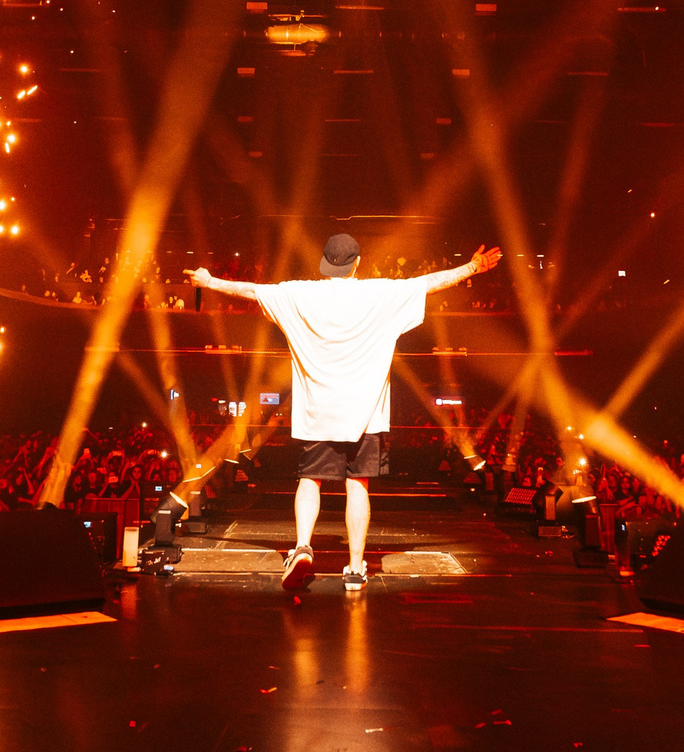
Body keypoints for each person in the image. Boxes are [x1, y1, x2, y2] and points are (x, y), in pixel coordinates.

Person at [190, 233, 502, 594]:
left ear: (325, 264)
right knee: (358, 485)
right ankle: (354, 568)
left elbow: (252, 290)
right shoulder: (380, 294)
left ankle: (303, 546)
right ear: (357, 263)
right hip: (366, 414)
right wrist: (473, 267)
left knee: (310, 480)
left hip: (318, 412)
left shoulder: (299, 294)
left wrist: (209, 281)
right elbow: (430, 283)